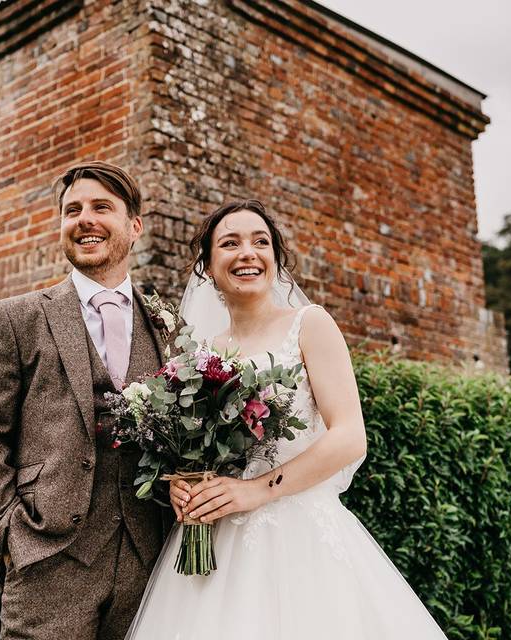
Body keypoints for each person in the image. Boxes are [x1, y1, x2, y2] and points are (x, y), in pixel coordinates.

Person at [126, 200, 449, 639]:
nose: (248, 253)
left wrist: (255, 491)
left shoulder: (310, 325)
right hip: (217, 543)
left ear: (277, 259)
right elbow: (202, 450)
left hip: (301, 536)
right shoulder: (199, 354)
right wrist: (187, 482)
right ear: (207, 265)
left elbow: (351, 437)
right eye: (230, 243)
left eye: (261, 242)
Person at [0, 161, 170, 640]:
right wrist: (7, 532)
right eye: (72, 210)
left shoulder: (166, 324)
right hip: (46, 559)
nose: (84, 219)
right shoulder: (15, 318)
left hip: (147, 562)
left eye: (101, 207)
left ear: (134, 226)